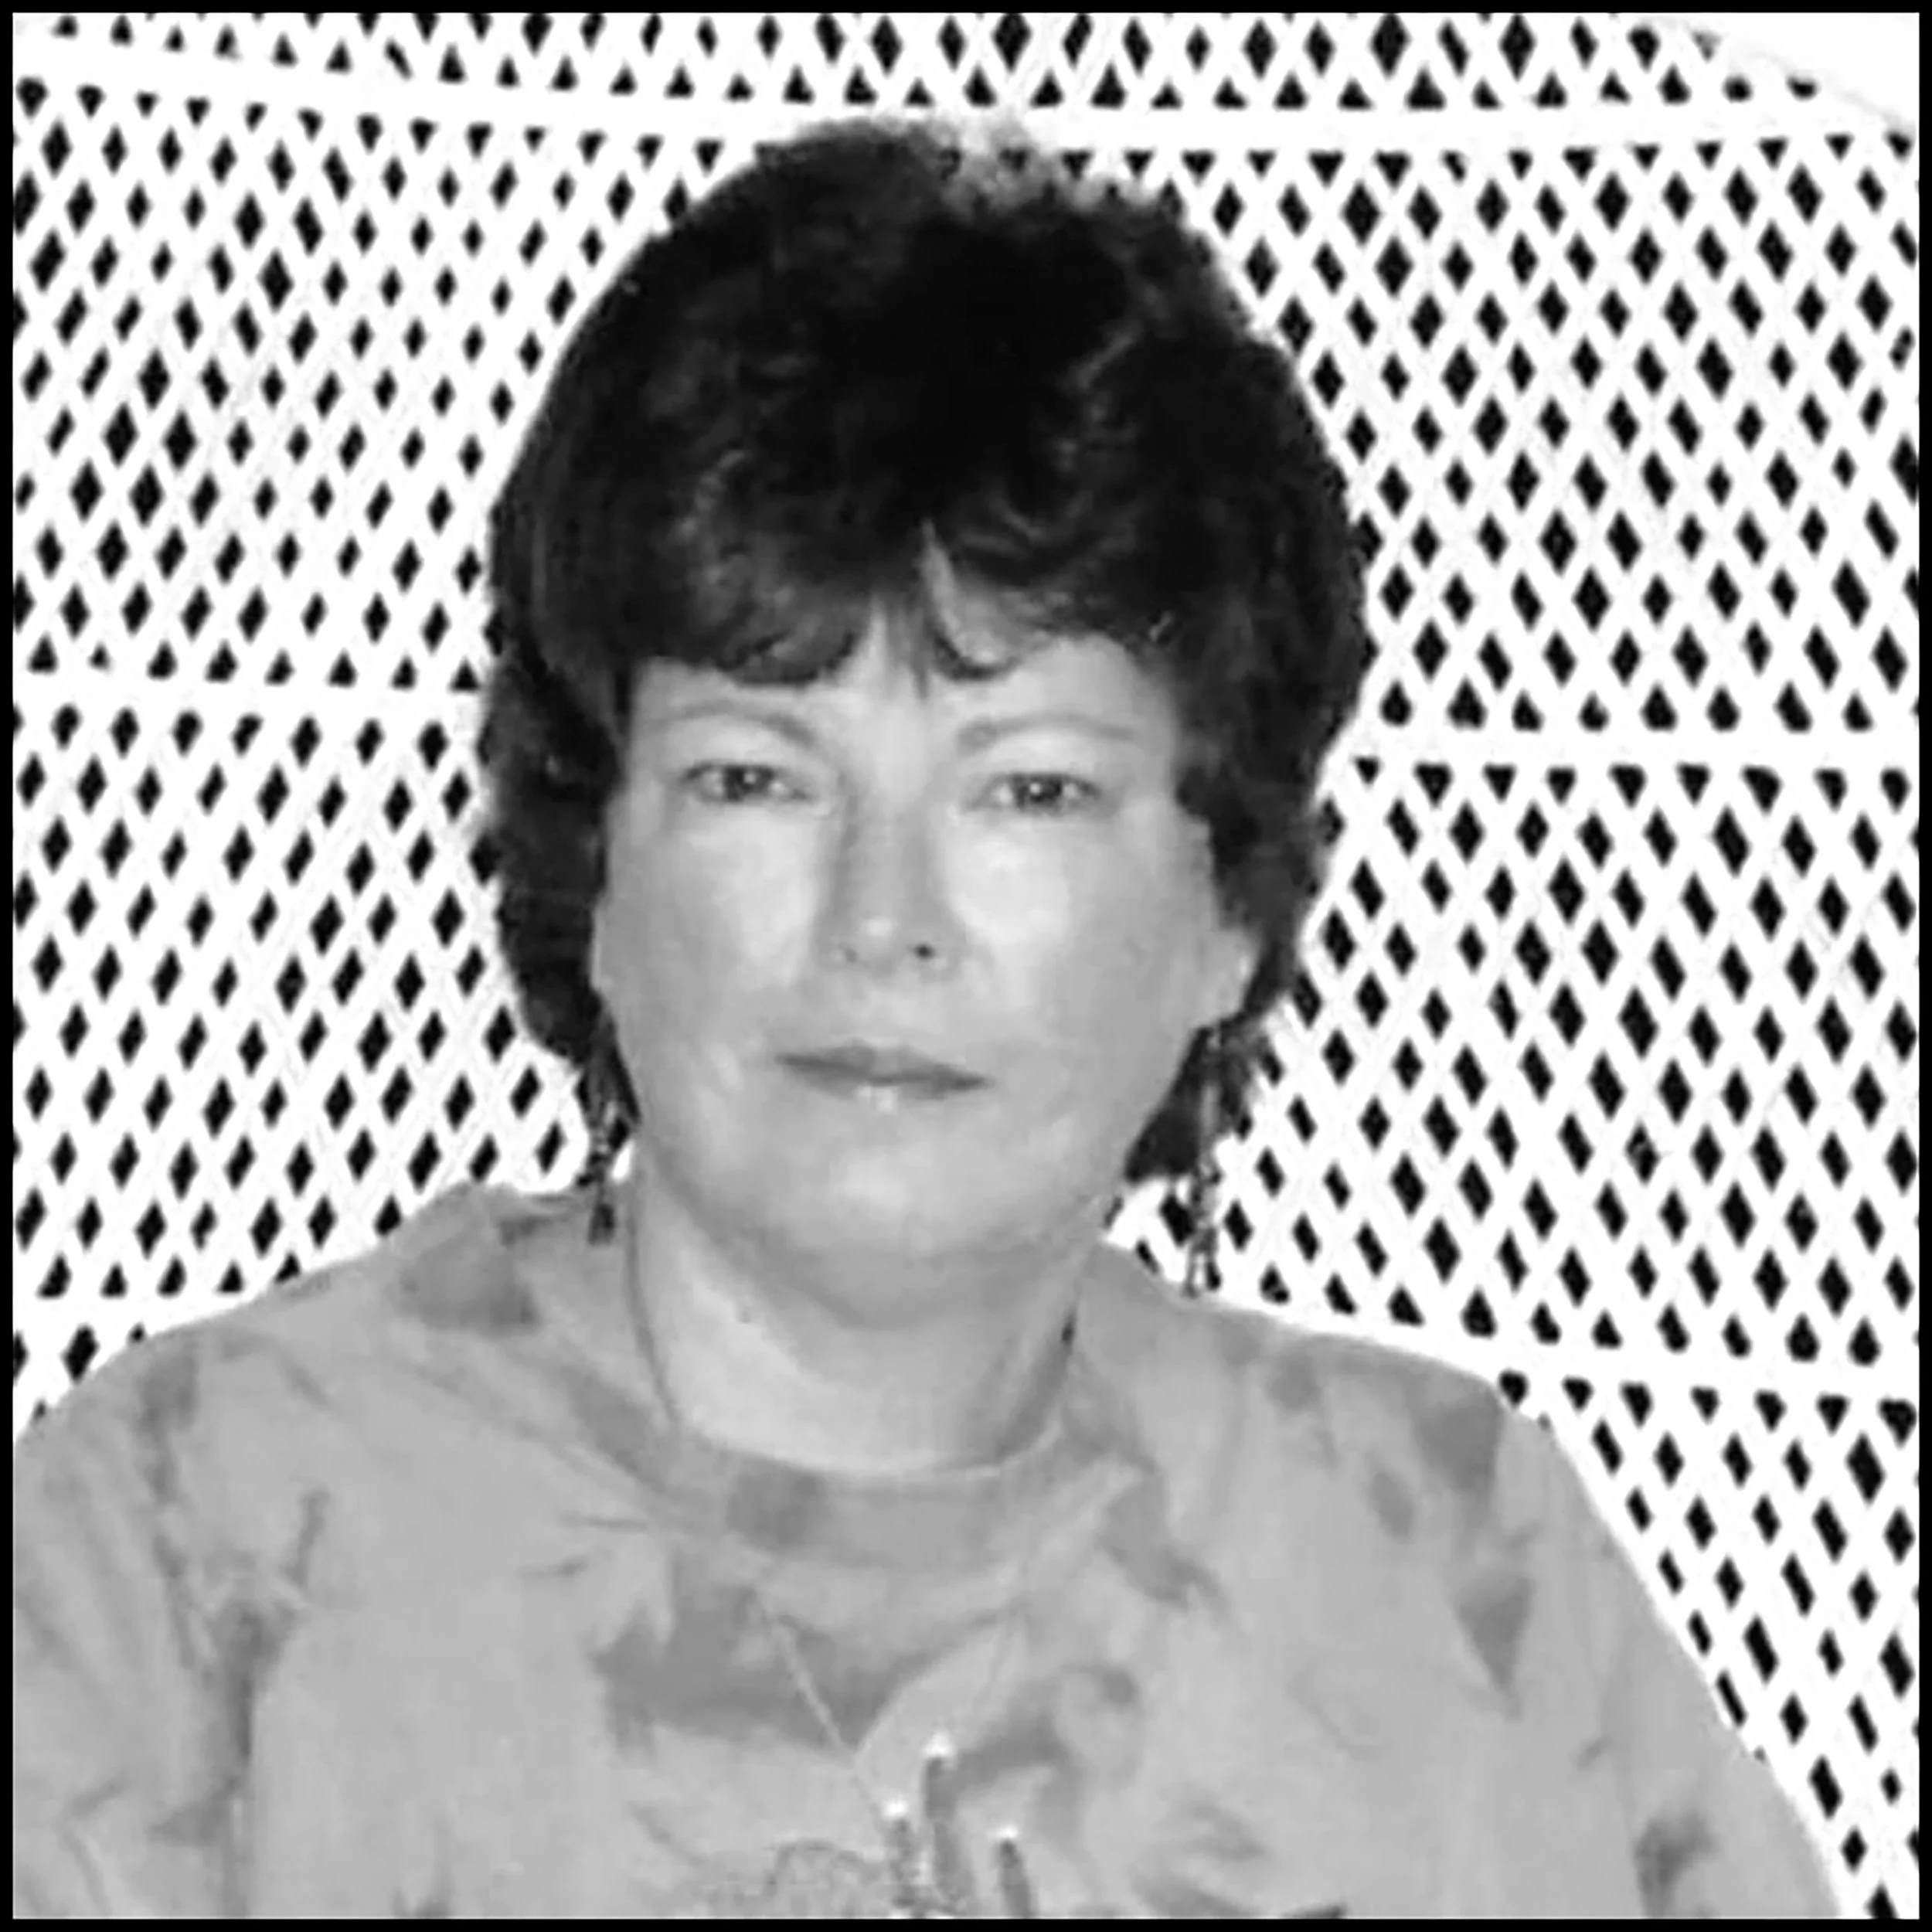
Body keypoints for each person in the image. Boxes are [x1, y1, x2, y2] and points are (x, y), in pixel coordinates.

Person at [12, 113, 1838, 1920]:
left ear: (1226, 904)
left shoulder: (1453, 1566)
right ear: (597, 866)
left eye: (1028, 791)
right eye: (753, 778)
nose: (883, 922)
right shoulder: (190, 1559)